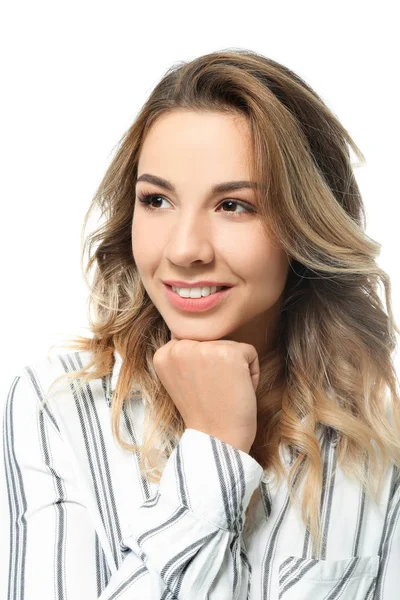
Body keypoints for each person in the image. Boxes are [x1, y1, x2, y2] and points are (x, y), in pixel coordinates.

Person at [3, 48, 400, 600]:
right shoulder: (58, 408)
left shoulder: (379, 440)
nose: (185, 249)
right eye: (157, 199)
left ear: (306, 228)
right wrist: (215, 448)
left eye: (234, 206)